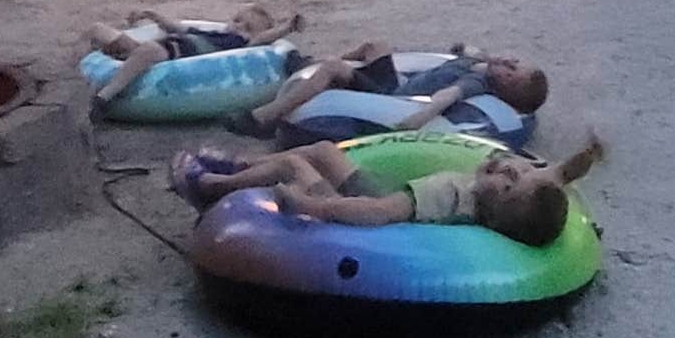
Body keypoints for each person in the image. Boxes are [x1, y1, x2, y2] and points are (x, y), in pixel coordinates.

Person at [171, 138, 602, 247]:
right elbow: (559, 175)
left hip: (364, 202)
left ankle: (211, 187)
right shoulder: (491, 194)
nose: (511, 170)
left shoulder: (447, 199)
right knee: (324, 150)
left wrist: (314, 205)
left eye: (509, 183)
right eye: (518, 173)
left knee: (294, 166)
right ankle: (244, 165)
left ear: (491, 215)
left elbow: (379, 211)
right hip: (382, 188)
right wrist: (588, 155)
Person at [244, 42, 548, 135]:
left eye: (511, 72)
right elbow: (467, 49)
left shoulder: (476, 83)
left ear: (503, 87)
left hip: (389, 99)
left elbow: (447, 97)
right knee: (377, 46)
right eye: (514, 63)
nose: (508, 65)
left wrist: (421, 116)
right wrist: (484, 54)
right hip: (397, 83)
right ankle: (306, 62)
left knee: (333, 69)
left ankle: (263, 118)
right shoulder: (483, 65)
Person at [84, 4, 299, 103]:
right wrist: (149, 13)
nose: (237, 27)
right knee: (97, 29)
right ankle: (95, 64)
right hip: (151, 50)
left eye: (247, 27)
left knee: (150, 49)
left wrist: (288, 27)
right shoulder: (208, 32)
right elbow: (175, 27)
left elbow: (264, 39)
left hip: (171, 56)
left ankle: (107, 94)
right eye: (236, 20)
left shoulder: (239, 45)